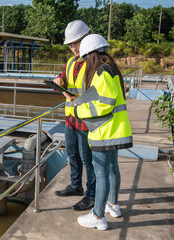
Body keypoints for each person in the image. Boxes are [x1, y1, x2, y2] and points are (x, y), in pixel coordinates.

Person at [65, 34, 133, 230]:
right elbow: (105, 95)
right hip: (115, 129)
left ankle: (98, 216)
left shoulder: (101, 72)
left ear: (90, 55)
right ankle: (112, 204)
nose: (85, 63)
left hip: (104, 131)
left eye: (85, 58)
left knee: (102, 173)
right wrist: (83, 98)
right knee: (112, 169)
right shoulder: (111, 70)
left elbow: (105, 103)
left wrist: (79, 109)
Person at [53, 20, 96, 211]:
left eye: (76, 43)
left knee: (88, 160)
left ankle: (92, 195)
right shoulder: (71, 62)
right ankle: (76, 185)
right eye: (70, 44)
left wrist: (77, 97)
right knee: (72, 154)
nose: (73, 48)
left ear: (87, 38)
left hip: (86, 119)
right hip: (71, 118)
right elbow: (64, 77)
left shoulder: (95, 62)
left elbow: (98, 92)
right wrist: (58, 81)